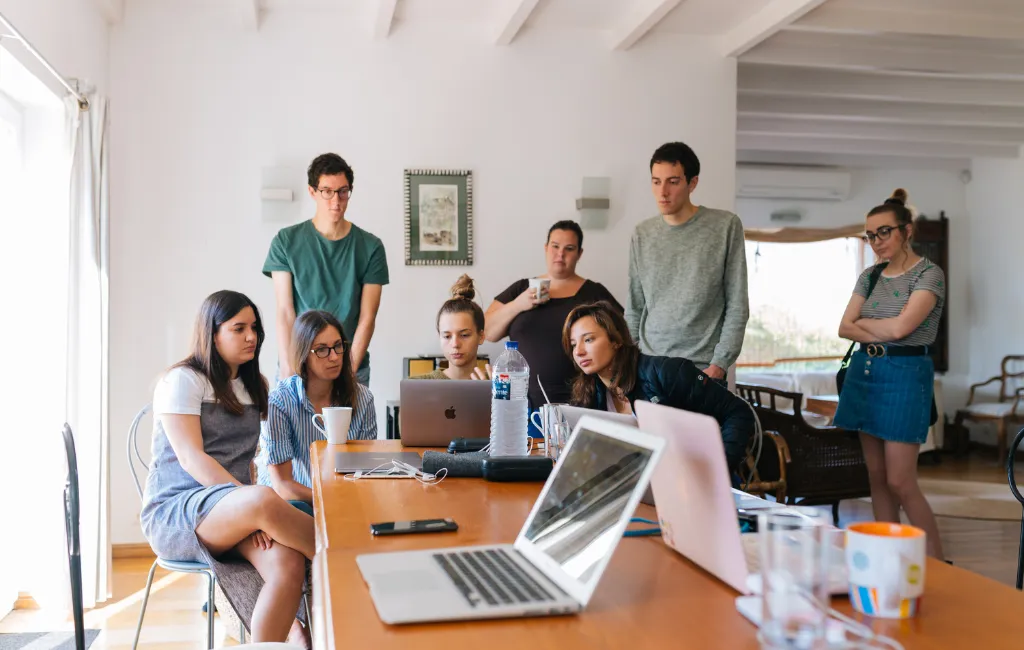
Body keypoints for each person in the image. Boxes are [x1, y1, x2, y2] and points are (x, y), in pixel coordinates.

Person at [142, 291, 313, 645]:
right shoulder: (183, 380)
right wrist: (249, 505)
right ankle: (352, 560)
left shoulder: (254, 386)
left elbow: (247, 461)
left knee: (288, 565)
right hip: (178, 512)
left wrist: (248, 509)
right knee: (266, 500)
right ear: (213, 333)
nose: (252, 336)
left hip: (236, 510)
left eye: (254, 328)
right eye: (239, 328)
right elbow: (192, 459)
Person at [835, 189, 945, 559]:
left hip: (905, 376)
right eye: (870, 235)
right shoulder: (869, 276)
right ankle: (888, 559)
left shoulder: (930, 274)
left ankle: (936, 563)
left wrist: (866, 323)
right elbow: (844, 328)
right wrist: (876, 325)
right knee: (877, 480)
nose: (876, 242)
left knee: (901, 480)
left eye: (884, 232)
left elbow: (902, 330)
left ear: (906, 231)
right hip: (865, 373)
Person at [563, 301, 754, 477]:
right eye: (573, 345)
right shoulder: (589, 393)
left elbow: (738, 412)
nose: (578, 351)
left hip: (694, 482)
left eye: (588, 340)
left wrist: (717, 469)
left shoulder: (667, 373)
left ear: (616, 340)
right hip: (644, 485)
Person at [626, 142, 749, 382]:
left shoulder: (725, 226)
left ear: (692, 183)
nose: (662, 192)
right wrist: (629, 362)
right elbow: (634, 307)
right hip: (649, 366)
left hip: (702, 369)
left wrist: (720, 364)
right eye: (656, 181)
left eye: (673, 182)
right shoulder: (642, 233)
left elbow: (737, 304)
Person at [264, 153, 389, 386]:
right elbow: (285, 311)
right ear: (312, 192)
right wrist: (288, 368)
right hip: (299, 365)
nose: (336, 200)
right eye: (327, 191)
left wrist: (348, 374)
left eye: (343, 191)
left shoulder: (371, 247)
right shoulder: (286, 241)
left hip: (350, 366)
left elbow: (367, 318)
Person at [485, 220, 622, 433]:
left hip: (583, 405)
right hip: (523, 406)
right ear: (546, 248)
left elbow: (622, 337)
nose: (561, 254)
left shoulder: (594, 292)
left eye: (569, 249)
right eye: (555, 246)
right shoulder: (522, 288)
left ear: (579, 253)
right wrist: (519, 304)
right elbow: (488, 332)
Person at [256, 310, 377, 514]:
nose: (334, 357)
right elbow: (283, 486)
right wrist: (330, 498)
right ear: (303, 354)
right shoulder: (280, 401)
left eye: (338, 346)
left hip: (345, 500)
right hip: (291, 504)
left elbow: (365, 471)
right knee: (301, 509)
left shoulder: (363, 398)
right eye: (322, 350)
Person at [413, 275, 490, 380]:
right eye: (447, 336)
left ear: (481, 336)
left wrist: (493, 395)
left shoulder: (497, 385)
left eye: (464, 335)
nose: (455, 344)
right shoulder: (417, 385)